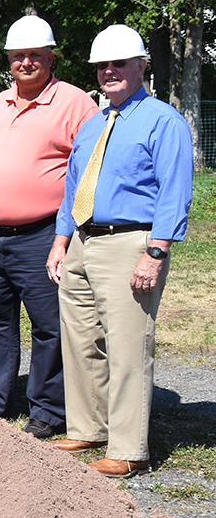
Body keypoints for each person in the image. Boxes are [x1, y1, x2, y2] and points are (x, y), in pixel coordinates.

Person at [47, 25, 192, 478]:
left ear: (141, 66)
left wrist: (156, 252)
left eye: (119, 63)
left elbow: (174, 191)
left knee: (128, 344)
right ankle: (89, 427)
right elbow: (74, 187)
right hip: (83, 241)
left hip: (131, 242)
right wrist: (61, 241)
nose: (109, 71)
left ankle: (130, 449)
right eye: (102, 65)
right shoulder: (92, 124)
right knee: (80, 339)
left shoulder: (163, 121)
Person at [0, 16, 97, 438]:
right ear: (9, 59)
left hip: (42, 234)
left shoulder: (76, 104)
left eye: (35, 55)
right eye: (18, 55)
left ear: (51, 58)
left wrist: (68, 234)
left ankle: (48, 409)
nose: (25, 62)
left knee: (50, 326)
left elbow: (89, 172)